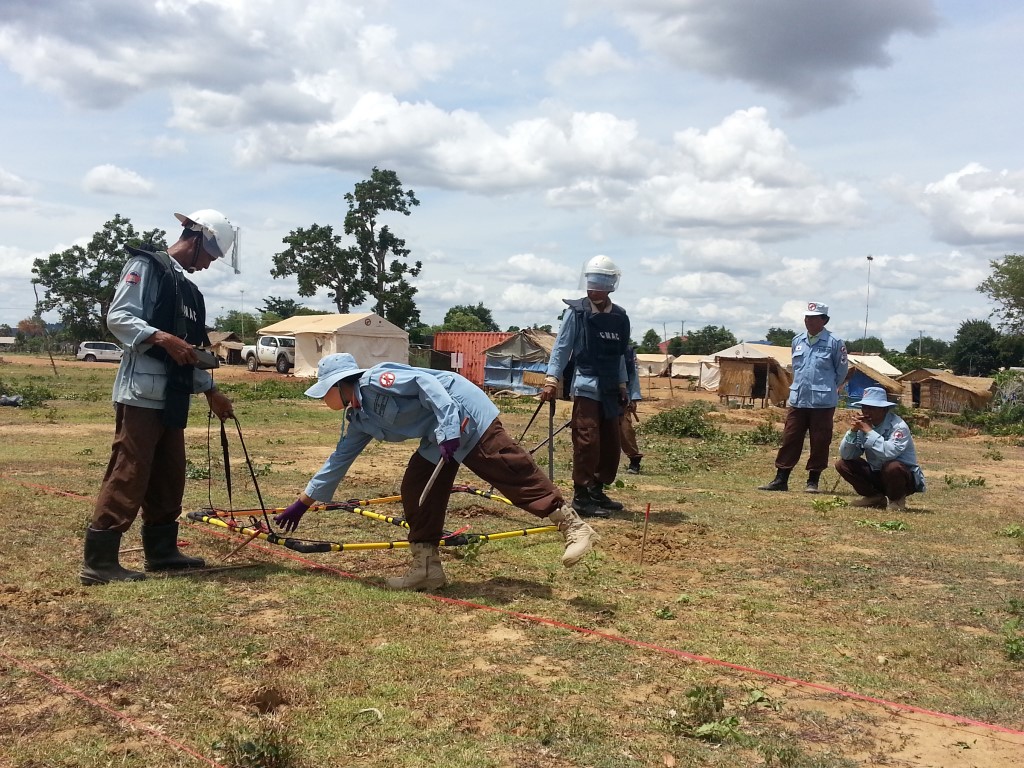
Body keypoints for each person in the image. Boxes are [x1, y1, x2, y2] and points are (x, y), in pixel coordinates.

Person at [274, 353, 598, 591]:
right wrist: (303, 503)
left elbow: (425, 382)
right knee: (416, 488)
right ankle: (427, 569)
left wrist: (449, 426)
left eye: (324, 390)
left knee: (504, 464)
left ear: (340, 384)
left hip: (463, 410)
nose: (322, 397)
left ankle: (573, 527)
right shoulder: (359, 419)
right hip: (439, 433)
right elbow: (338, 460)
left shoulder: (376, 380)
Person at [81, 210, 236, 586]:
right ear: (197, 239)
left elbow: (187, 355)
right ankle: (100, 562)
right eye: (210, 255)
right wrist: (162, 337)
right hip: (141, 394)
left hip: (174, 395)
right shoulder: (146, 266)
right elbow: (119, 317)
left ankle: (162, 552)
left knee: (170, 474)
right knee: (130, 471)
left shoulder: (188, 291)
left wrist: (211, 389)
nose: (208, 264)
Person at [540, 255, 631, 517]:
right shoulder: (577, 313)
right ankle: (581, 495)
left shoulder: (619, 317)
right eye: (592, 281)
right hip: (586, 386)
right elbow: (561, 348)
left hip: (611, 388)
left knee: (611, 444)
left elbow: (620, 355)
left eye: (601, 282)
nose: (595, 288)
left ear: (611, 284)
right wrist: (551, 380)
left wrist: (624, 385)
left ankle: (597, 491)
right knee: (587, 440)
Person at [758, 301, 848, 493]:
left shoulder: (835, 343)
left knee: (820, 440)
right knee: (790, 437)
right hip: (799, 399)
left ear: (824, 320)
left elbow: (841, 372)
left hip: (822, 401)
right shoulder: (797, 341)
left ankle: (813, 481)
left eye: (813, 318)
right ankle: (781, 478)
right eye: (806, 317)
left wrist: (829, 388)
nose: (808, 321)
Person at [834, 387, 925, 511]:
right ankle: (875, 497)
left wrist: (869, 431)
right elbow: (847, 455)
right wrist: (853, 431)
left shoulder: (898, 427)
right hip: (877, 473)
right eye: (864, 407)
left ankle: (897, 499)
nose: (866, 411)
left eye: (872, 408)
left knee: (893, 467)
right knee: (842, 464)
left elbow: (889, 453)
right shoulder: (864, 426)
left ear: (884, 409)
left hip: (902, 478)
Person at [620, 345, 643, 474]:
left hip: (623, 396)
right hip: (602, 393)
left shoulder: (628, 352)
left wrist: (633, 398)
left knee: (625, 429)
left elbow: (633, 376)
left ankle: (634, 459)